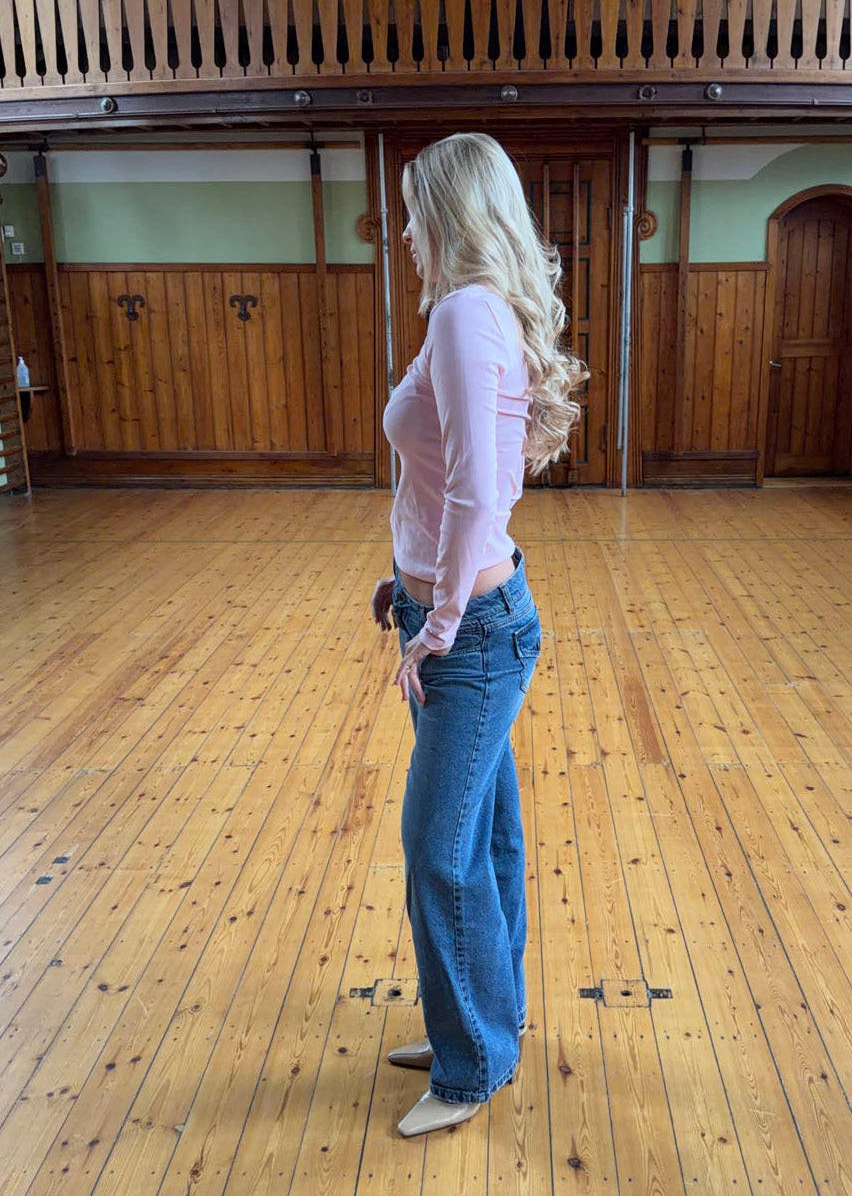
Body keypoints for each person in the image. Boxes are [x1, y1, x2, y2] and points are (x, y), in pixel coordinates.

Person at [370, 132, 588, 1139]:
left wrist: (441, 623)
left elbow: (474, 494)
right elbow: (454, 484)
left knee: (437, 852)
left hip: (472, 634)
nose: (405, 231)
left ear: (450, 215)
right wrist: (409, 584)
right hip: (457, 613)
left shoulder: (463, 313)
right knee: (486, 837)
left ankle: (469, 1067)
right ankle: (481, 1024)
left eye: (414, 212)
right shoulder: (470, 311)